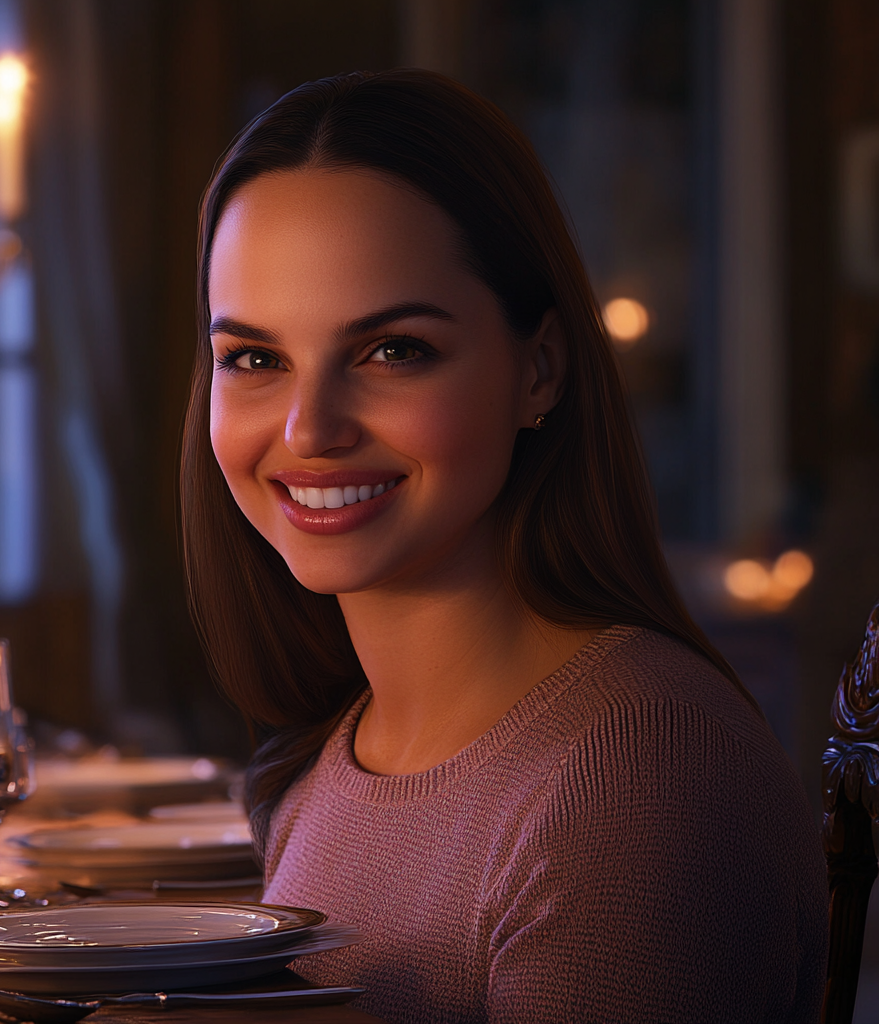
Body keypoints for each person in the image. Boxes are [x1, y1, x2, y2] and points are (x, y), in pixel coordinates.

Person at [180, 69, 826, 1024]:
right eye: (256, 359)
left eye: (392, 349)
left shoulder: (634, 783)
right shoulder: (327, 763)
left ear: (541, 369)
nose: (310, 429)